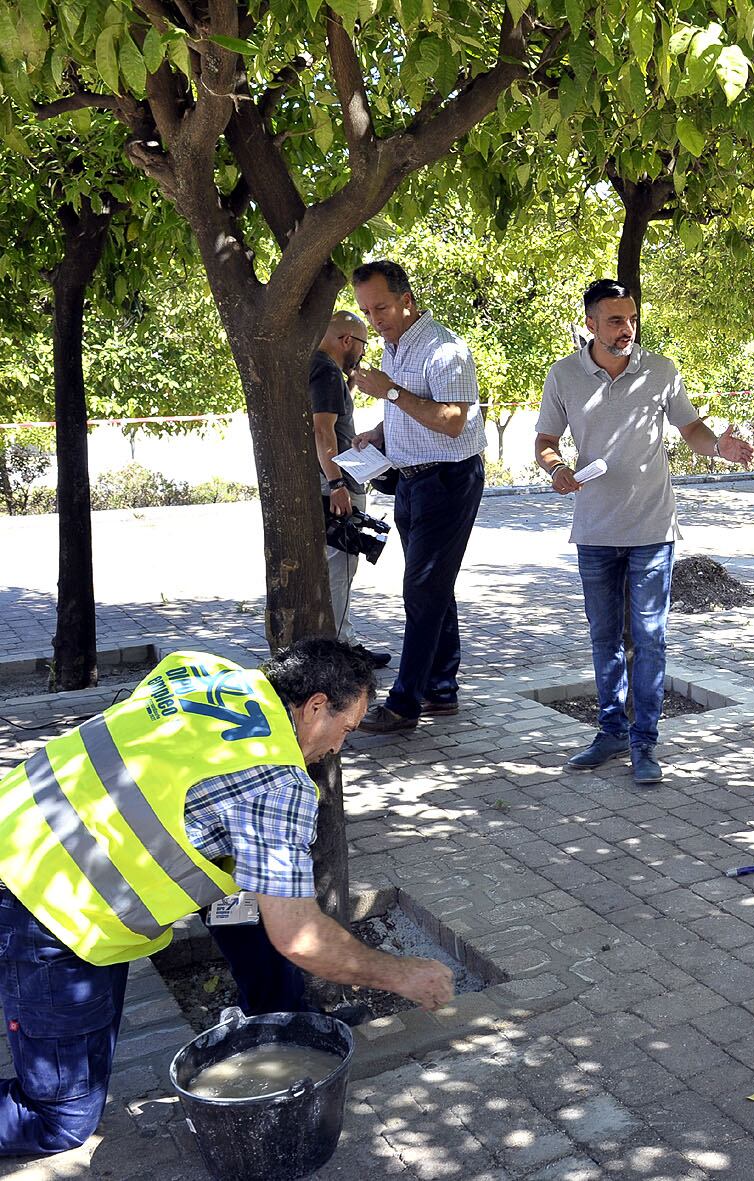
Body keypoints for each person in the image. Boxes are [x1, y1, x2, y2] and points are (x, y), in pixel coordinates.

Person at [0, 639, 454, 1156]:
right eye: (345, 730)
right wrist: (402, 975)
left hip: (20, 833)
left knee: (242, 900)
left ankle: (280, 1015)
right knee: (57, 1121)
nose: (336, 750)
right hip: (41, 906)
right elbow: (300, 937)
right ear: (314, 706)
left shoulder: (201, 671)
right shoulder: (277, 784)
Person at [533, 279, 753, 784]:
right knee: (605, 638)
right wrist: (555, 467)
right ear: (589, 324)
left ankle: (644, 743)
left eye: (631, 318)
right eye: (615, 320)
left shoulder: (661, 372)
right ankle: (610, 731)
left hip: (652, 529)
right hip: (593, 532)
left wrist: (720, 447)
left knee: (649, 640)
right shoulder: (563, 375)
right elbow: (545, 439)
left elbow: (690, 429)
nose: (627, 328)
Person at [349, 260, 487, 734]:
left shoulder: (443, 349)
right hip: (410, 479)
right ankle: (442, 687)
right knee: (433, 585)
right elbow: (411, 413)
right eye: (366, 311)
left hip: (448, 481)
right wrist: (378, 433)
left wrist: (389, 393)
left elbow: (451, 420)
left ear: (407, 300)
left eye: (381, 307)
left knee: (422, 590)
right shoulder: (394, 346)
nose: (374, 320)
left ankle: (405, 702)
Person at [311, 311, 390, 668]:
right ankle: (344, 650)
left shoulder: (318, 368)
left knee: (335, 568)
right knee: (340, 568)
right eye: (362, 344)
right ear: (346, 341)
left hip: (333, 481)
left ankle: (339, 642)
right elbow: (323, 432)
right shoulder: (326, 371)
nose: (362, 352)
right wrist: (337, 483)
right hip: (336, 486)